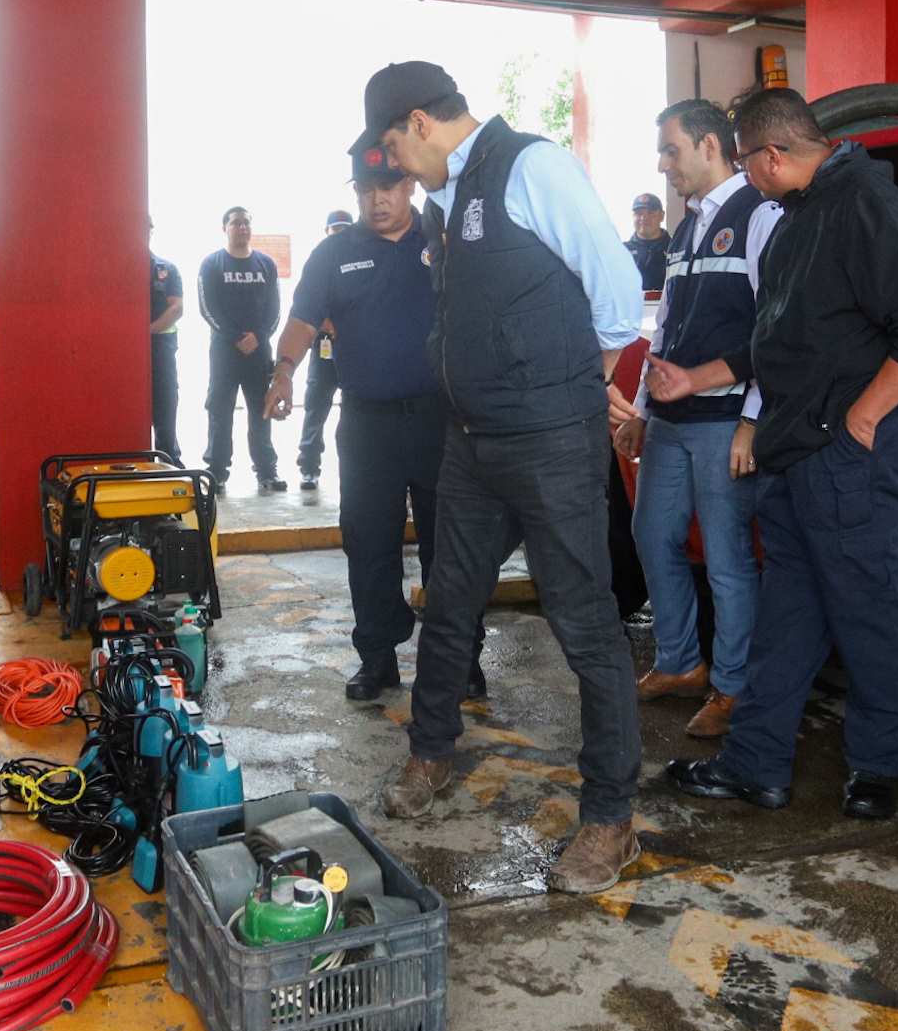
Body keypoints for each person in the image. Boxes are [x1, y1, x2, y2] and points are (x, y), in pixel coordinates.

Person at [355, 60, 645, 897]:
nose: (392, 168)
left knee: (584, 624)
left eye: (390, 149)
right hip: (470, 443)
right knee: (447, 603)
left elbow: (616, 290)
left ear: (418, 122)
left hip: (550, 442)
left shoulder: (531, 164)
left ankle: (610, 816)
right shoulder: (448, 203)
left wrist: (573, 384)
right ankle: (433, 752)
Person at [669, 89, 898, 821]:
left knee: (870, 611)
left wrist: (864, 413)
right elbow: (785, 337)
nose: (746, 179)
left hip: (847, 455)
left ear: (773, 155)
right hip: (794, 453)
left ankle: (876, 766)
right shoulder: (799, 214)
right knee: (787, 619)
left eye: (746, 163)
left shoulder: (863, 202)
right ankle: (755, 764)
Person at [264, 149, 486, 704]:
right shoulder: (334, 253)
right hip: (367, 426)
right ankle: (378, 658)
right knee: (368, 542)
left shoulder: (444, 237)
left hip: (441, 421)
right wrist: (284, 370)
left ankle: (460, 658)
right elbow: (301, 322)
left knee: (453, 543)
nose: (376, 198)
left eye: (387, 186)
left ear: (409, 184)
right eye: (365, 188)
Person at [612, 101, 780, 737]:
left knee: (731, 557)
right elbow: (672, 330)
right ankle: (681, 661)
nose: (663, 165)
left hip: (724, 419)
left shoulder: (759, 216)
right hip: (672, 421)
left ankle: (735, 687)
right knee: (652, 534)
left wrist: (753, 421)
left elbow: (773, 329)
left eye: (671, 150)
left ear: (710, 145)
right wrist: (645, 411)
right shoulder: (686, 229)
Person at [197, 207, 284, 493]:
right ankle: (217, 472)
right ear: (225, 227)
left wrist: (258, 337)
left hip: (258, 352)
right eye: (236, 223)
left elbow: (274, 310)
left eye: (246, 222)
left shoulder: (266, 265)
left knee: (261, 409)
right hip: (224, 351)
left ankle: (267, 472)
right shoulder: (212, 264)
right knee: (220, 410)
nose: (242, 227)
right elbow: (207, 308)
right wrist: (235, 337)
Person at [294, 208, 351, 491]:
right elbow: (306, 309)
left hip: (356, 351)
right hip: (324, 350)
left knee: (359, 413)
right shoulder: (319, 260)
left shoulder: (363, 255)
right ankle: (308, 468)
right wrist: (325, 322)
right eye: (335, 229)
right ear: (326, 231)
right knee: (316, 409)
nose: (340, 233)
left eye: (345, 228)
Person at [148, 219, 184, 464]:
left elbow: (176, 308)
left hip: (160, 344)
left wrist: (145, 331)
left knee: (165, 400)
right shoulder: (115, 266)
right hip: (122, 350)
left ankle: (169, 457)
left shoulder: (166, 268)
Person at [627, 192, 672, 291]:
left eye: (651, 213)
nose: (644, 218)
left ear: (662, 216)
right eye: (639, 214)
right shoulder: (621, 251)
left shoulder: (676, 248)